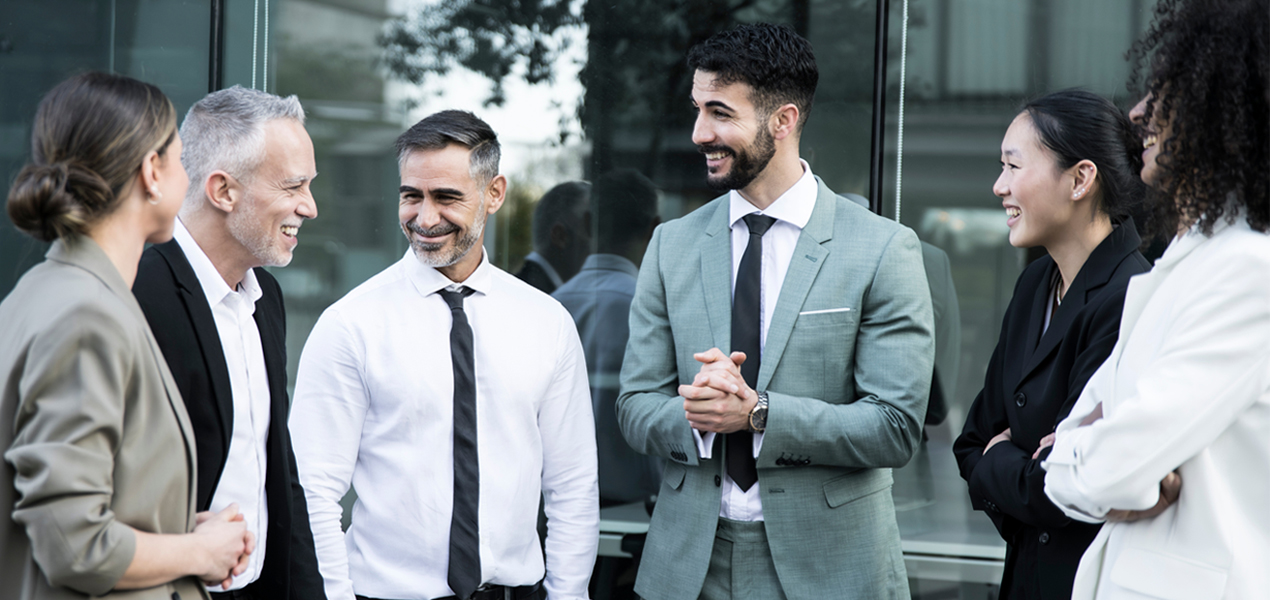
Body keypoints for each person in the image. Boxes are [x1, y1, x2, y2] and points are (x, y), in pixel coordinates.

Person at [616, 24, 934, 600]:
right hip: (687, 567)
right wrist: (700, 413)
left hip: (831, 567)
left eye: (719, 113)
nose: (699, 133)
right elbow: (635, 406)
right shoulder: (671, 244)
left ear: (783, 121)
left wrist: (758, 413)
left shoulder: (883, 248)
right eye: (696, 110)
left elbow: (896, 428)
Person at [290, 109, 598, 600]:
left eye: (446, 197)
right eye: (411, 196)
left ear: (494, 194)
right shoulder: (351, 324)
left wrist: (567, 594)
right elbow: (313, 490)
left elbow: (573, 486)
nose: (425, 218)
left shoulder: (547, 323)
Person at [1042, 1, 1270, 598]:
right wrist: (1089, 457)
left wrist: (1091, 459)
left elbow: (1103, 470)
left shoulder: (1247, 271)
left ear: (1222, 110)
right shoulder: (1183, 262)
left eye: (1164, 93)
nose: (1138, 112)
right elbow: (1075, 454)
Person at [0, 72, 254, 600]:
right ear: (151, 174)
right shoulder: (85, 314)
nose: (189, 179)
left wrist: (185, 535)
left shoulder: (44, 292)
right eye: (181, 161)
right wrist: (199, 553)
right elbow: (74, 543)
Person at [951, 89, 1150, 600]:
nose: (1000, 186)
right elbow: (972, 441)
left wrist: (1005, 460)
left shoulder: (1133, 294)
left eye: (1014, 167)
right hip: (1025, 577)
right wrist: (1021, 463)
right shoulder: (1036, 282)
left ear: (1081, 179)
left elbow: (1065, 487)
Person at [131, 86, 325, 600]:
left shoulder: (267, 299)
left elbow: (279, 472)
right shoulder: (134, 293)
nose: (309, 207)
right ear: (223, 191)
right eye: (293, 185)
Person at [553, 168, 663, 507]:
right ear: (654, 228)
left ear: (586, 224)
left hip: (558, 504)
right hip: (636, 509)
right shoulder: (654, 313)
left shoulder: (550, 308)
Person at [514, 180, 591, 293]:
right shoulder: (534, 296)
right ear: (560, 236)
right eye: (591, 226)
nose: (603, 240)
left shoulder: (522, 288)